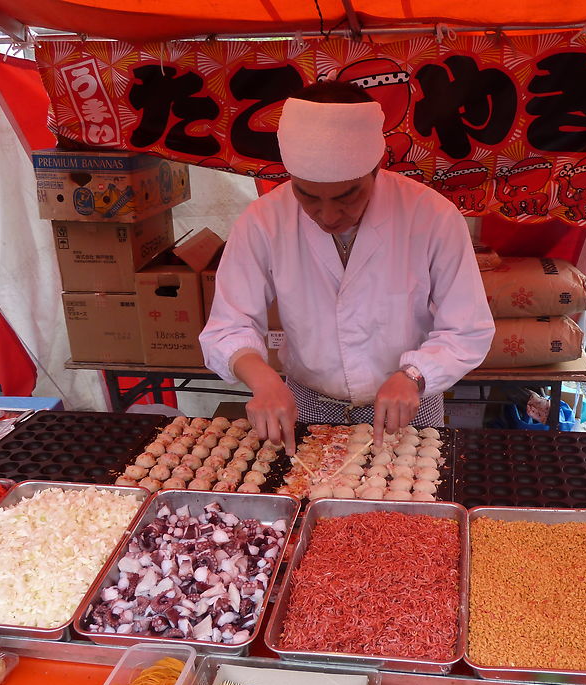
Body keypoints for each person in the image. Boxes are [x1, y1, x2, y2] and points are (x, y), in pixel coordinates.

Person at [199, 81, 494, 454]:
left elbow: (467, 328)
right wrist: (264, 380)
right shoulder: (264, 220)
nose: (328, 214)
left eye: (347, 196)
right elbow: (228, 325)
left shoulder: (431, 215)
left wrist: (414, 375)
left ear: (376, 167)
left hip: (407, 405)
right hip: (307, 404)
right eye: (307, 196)